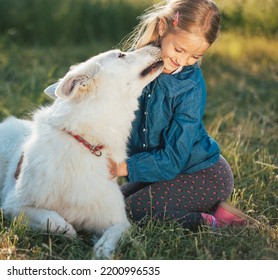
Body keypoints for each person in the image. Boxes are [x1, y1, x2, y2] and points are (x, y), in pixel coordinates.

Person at [45, 0, 258, 229]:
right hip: (154, 173)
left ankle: (216, 221)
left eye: (194, 57)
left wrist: (122, 167)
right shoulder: (138, 65)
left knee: (128, 210)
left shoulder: (191, 88)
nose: (182, 61)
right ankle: (189, 205)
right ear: (162, 28)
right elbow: (106, 96)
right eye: (178, 49)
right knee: (110, 203)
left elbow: (174, 160)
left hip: (203, 175)